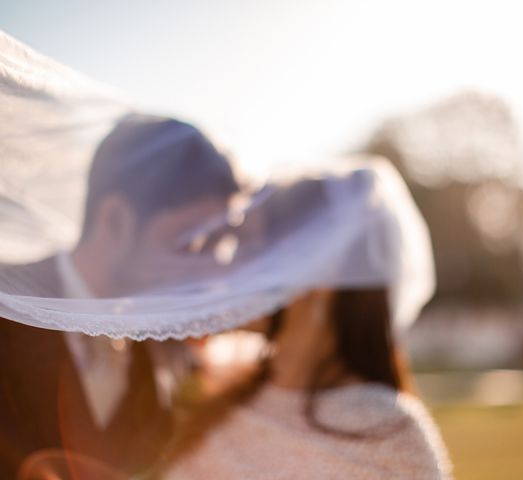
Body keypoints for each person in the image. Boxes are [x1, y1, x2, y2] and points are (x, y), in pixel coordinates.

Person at [158, 177, 451, 480]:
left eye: (251, 250)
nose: (230, 269)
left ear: (319, 271)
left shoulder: (390, 440)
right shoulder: (218, 395)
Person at [0, 113, 241, 479]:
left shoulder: (164, 347)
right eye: (192, 243)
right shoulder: (8, 312)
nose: (212, 273)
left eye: (220, 245)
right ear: (114, 220)